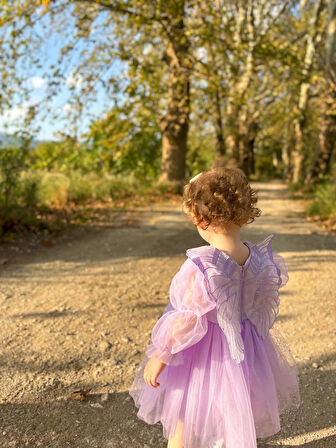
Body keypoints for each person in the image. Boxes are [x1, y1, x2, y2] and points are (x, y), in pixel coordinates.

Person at [129, 167, 300, 448]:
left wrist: (162, 353)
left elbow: (187, 318)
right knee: (231, 408)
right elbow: (260, 305)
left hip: (205, 351)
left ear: (198, 218)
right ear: (244, 213)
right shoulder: (258, 258)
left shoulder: (202, 265)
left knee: (186, 409)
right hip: (246, 348)